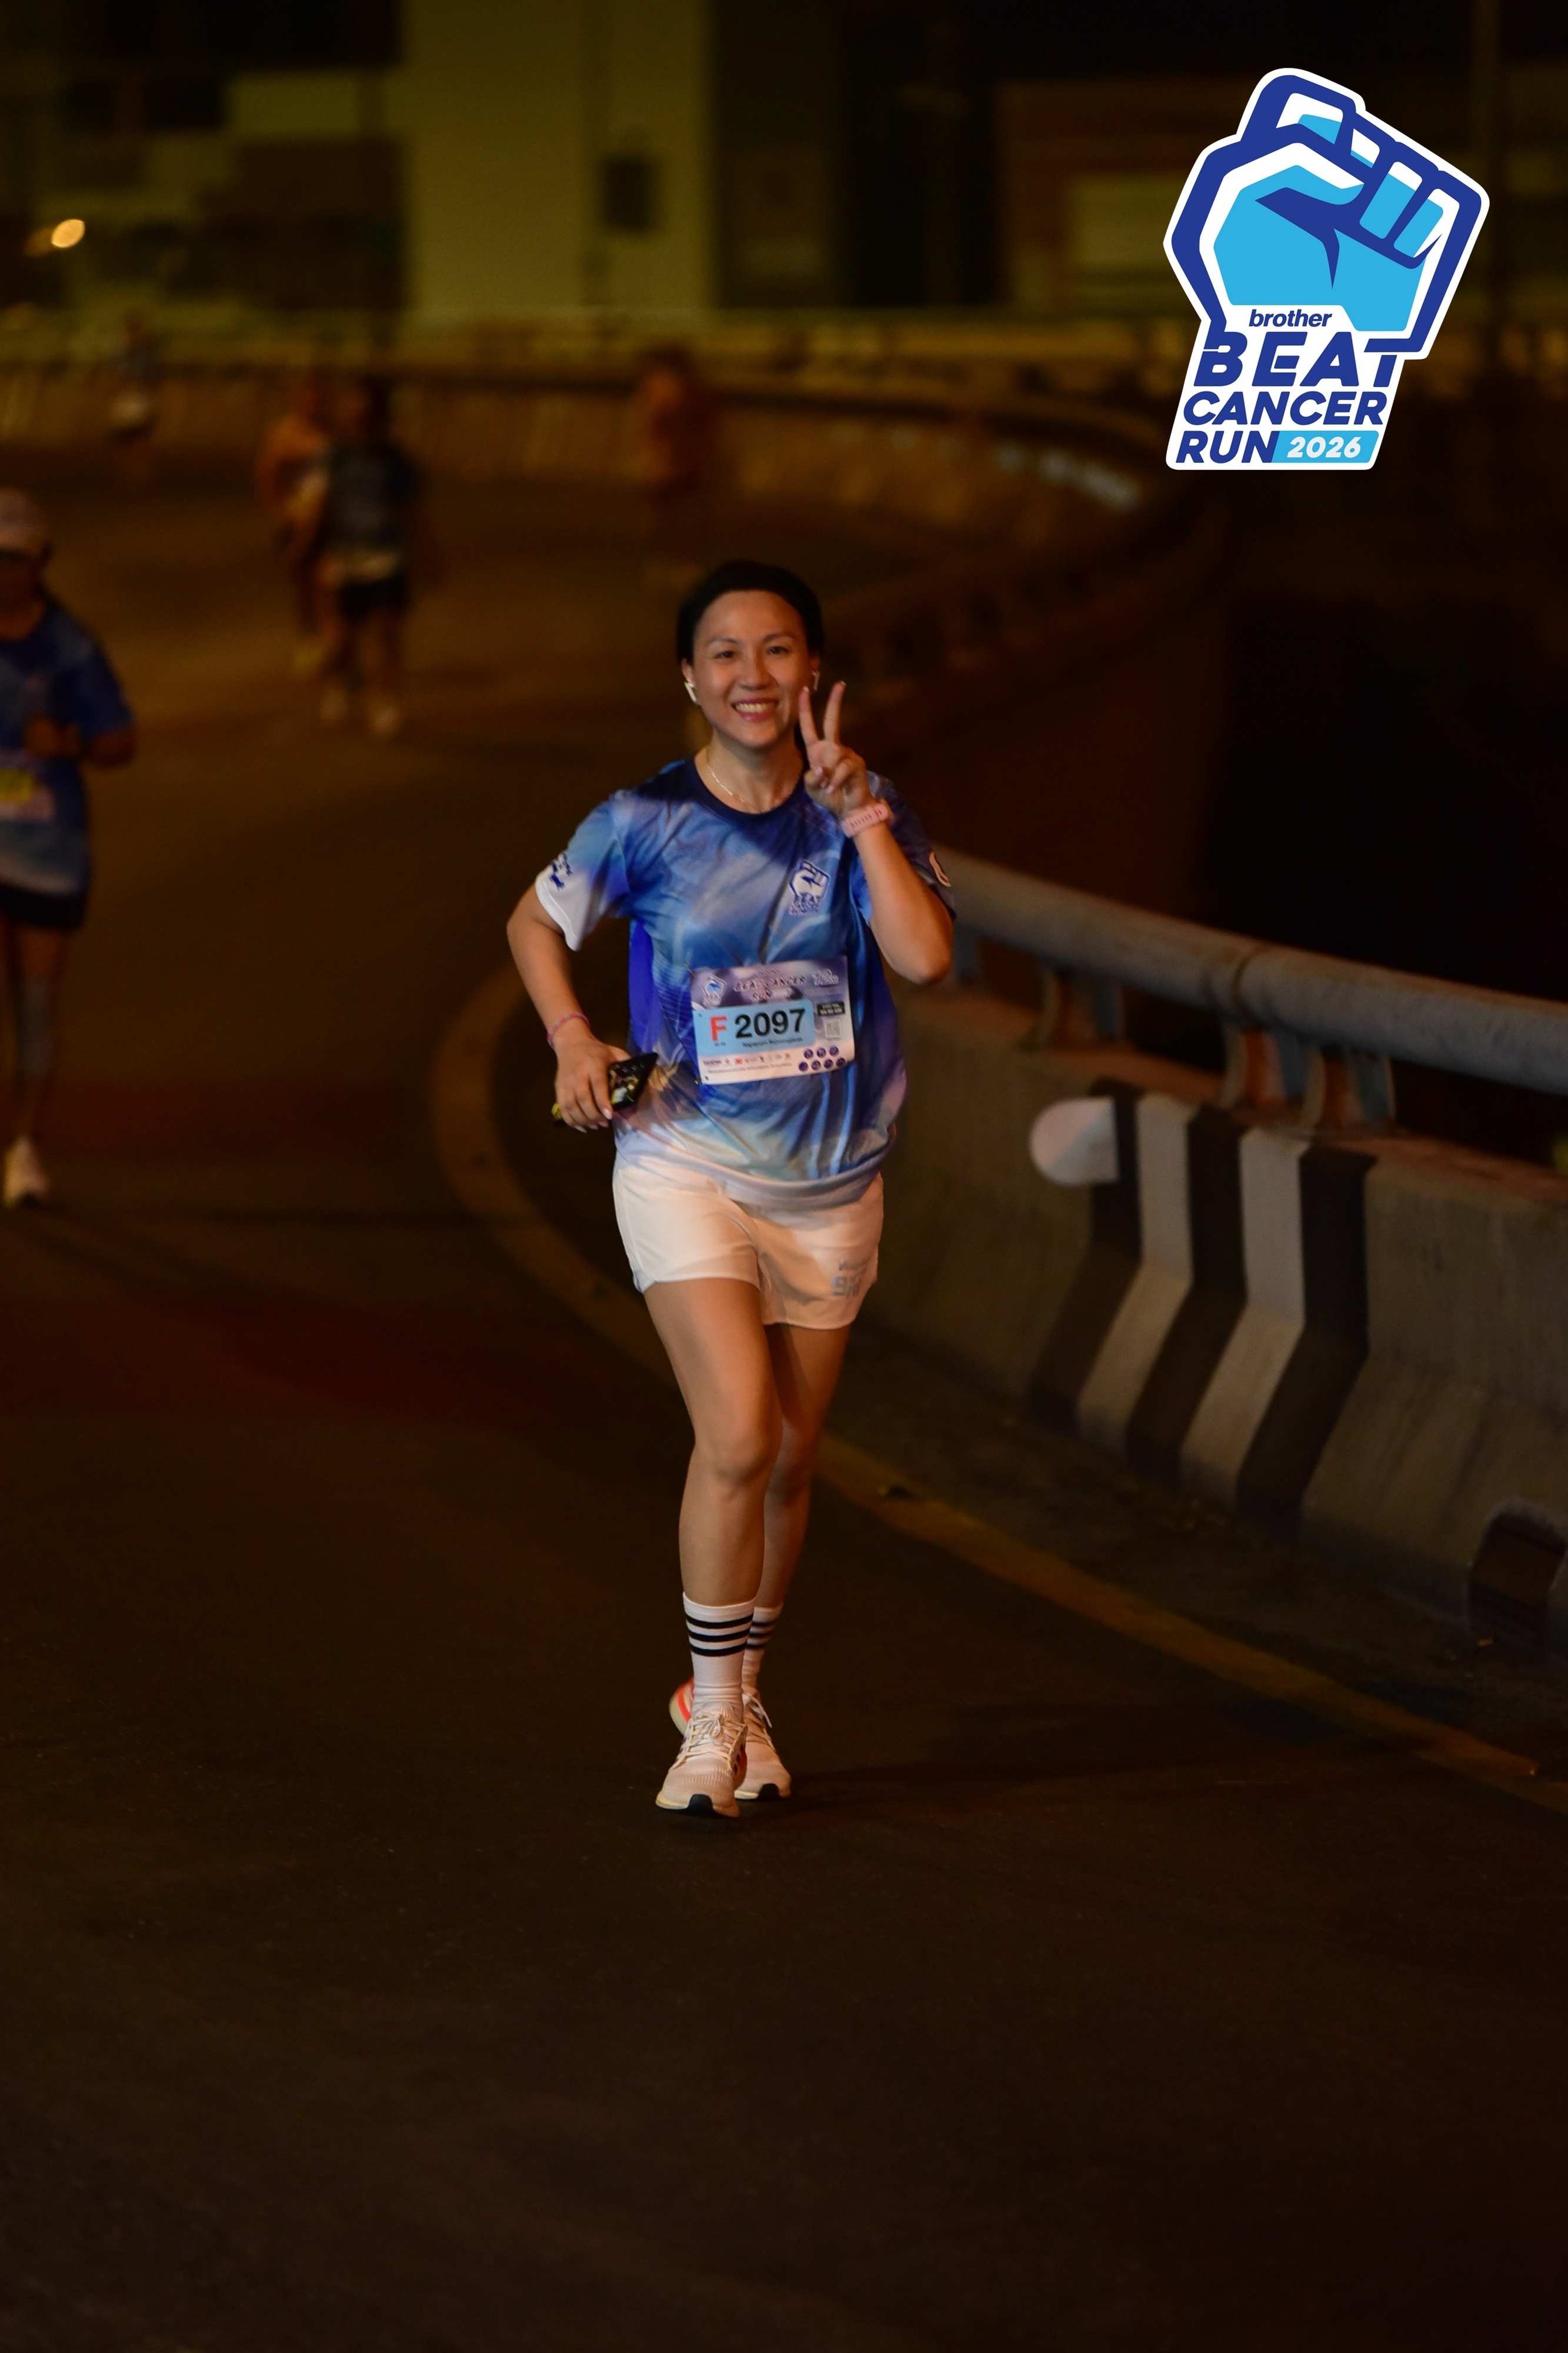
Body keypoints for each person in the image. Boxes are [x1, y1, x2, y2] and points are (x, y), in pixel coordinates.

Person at [508, 559, 954, 1818]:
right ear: (689, 679)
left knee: (796, 1460)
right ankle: (710, 1726)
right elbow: (532, 923)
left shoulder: (862, 806)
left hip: (832, 1179)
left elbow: (924, 958)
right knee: (742, 1434)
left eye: (777, 650)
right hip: (684, 1158)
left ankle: (736, 1688)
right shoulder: (643, 820)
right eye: (725, 653)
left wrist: (862, 820)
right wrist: (572, 1038)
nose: (751, 675)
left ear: (813, 671)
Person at [0, 489, 136, 1208]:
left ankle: (25, 1147)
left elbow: (120, 740)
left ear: (41, 560)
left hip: (45, 851)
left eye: (14, 559)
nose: (2, 573)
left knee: (34, 1001)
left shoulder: (69, 647)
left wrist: (71, 742)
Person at [291, 375, 435, 740]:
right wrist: (305, 548)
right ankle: (341, 683)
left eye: (367, 415)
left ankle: (384, 700)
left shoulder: (395, 462)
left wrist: (427, 557)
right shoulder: (334, 458)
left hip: (386, 559)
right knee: (342, 639)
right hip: (344, 560)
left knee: (386, 632)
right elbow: (315, 504)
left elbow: (412, 513)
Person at [254, 370, 332, 673]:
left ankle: (331, 641)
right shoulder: (284, 434)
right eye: (307, 401)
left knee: (329, 583)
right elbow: (267, 474)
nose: (313, 406)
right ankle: (309, 639)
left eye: (318, 401)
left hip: (330, 520)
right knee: (306, 585)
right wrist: (284, 510)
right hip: (299, 521)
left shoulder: (333, 434)